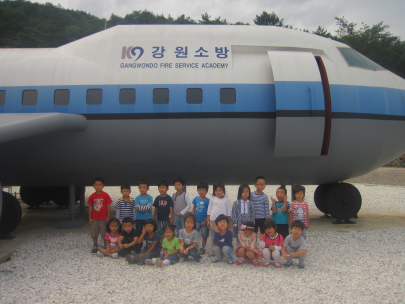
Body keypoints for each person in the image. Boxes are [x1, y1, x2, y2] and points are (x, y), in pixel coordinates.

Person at [88, 177, 113, 253]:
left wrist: (108, 216)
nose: (98, 186)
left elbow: (108, 206)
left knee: (104, 233)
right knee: (94, 233)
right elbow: (90, 207)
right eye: (96, 185)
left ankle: (105, 245)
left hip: (103, 219)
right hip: (94, 219)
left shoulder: (106, 195)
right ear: (93, 186)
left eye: (100, 185)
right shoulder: (92, 196)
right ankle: (95, 245)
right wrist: (90, 217)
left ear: (103, 186)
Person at [207, 182, 231, 256]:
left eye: (220, 190)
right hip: (213, 220)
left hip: (223, 221)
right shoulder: (212, 199)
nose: (218, 192)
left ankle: (223, 249)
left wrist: (228, 221)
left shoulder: (226, 199)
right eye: (216, 190)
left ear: (223, 191)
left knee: (222, 234)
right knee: (214, 235)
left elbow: (228, 211)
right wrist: (208, 220)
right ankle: (214, 249)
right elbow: (209, 209)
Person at [192, 182, 210, 254]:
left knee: (204, 235)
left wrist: (206, 221)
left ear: (207, 191)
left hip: (204, 222)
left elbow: (209, 212)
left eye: (203, 190)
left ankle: (203, 247)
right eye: (199, 190)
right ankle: (194, 246)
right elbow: (194, 207)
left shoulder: (208, 201)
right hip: (196, 220)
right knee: (194, 234)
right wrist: (192, 217)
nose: (201, 192)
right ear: (197, 191)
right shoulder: (196, 199)